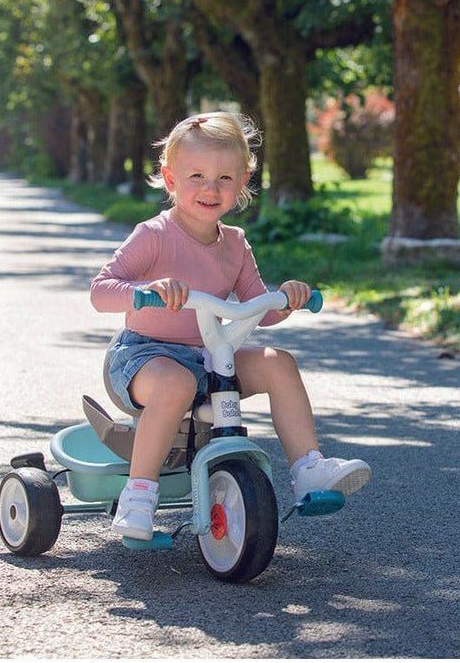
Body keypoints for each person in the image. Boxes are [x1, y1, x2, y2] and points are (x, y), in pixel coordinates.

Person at [90, 111, 371, 540]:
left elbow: (261, 309)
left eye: (224, 178)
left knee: (279, 362)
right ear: (170, 179)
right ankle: (140, 494)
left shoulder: (235, 243)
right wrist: (147, 288)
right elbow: (100, 290)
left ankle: (309, 468)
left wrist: (287, 297)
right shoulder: (154, 235)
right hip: (143, 357)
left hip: (209, 355)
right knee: (175, 384)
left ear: (243, 184)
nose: (210, 188)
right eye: (197, 175)